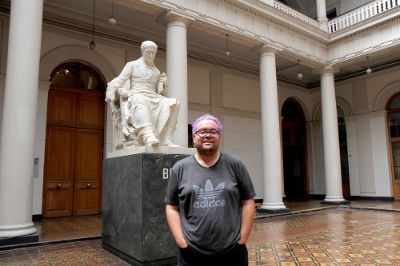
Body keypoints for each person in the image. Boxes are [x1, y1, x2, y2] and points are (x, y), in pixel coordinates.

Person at [165, 114, 256, 266]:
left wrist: (242, 239)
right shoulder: (180, 168)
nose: (207, 135)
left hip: (232, 252)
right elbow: (171, 206)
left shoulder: (235, 164)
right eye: (202, 131)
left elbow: (248, 200)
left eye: (213, 131)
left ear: (219, 136)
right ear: (194, 137)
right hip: (191, 253)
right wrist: (181, 242)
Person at [106, 40, 179, 148]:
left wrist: (164, 84)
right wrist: (113, 89)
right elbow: (120, 81)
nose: (150, 55)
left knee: (174, 103)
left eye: (153, 53)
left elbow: (159, 93)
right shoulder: (132, 65)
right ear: (142, 52)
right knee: (140, 100)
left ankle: (166, 139)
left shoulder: (156, 71)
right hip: (137, 93)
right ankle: (148, 135)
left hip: (153, 96)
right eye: (148, 52)